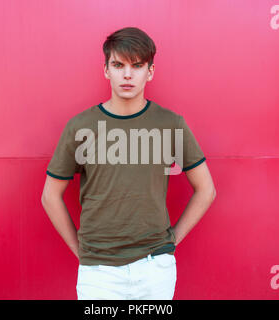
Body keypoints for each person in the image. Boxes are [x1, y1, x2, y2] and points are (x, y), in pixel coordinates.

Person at [41, 27, 216, 300]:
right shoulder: (81, 127)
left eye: (137, 65)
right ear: (106, 70)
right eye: (118, 64)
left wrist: (170, 242)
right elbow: (50, 195)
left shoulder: (170, 124)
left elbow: (206, 190)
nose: (127, 74)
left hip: (155, 268)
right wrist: (82, 251)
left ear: (151, 71)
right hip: (98, 272)